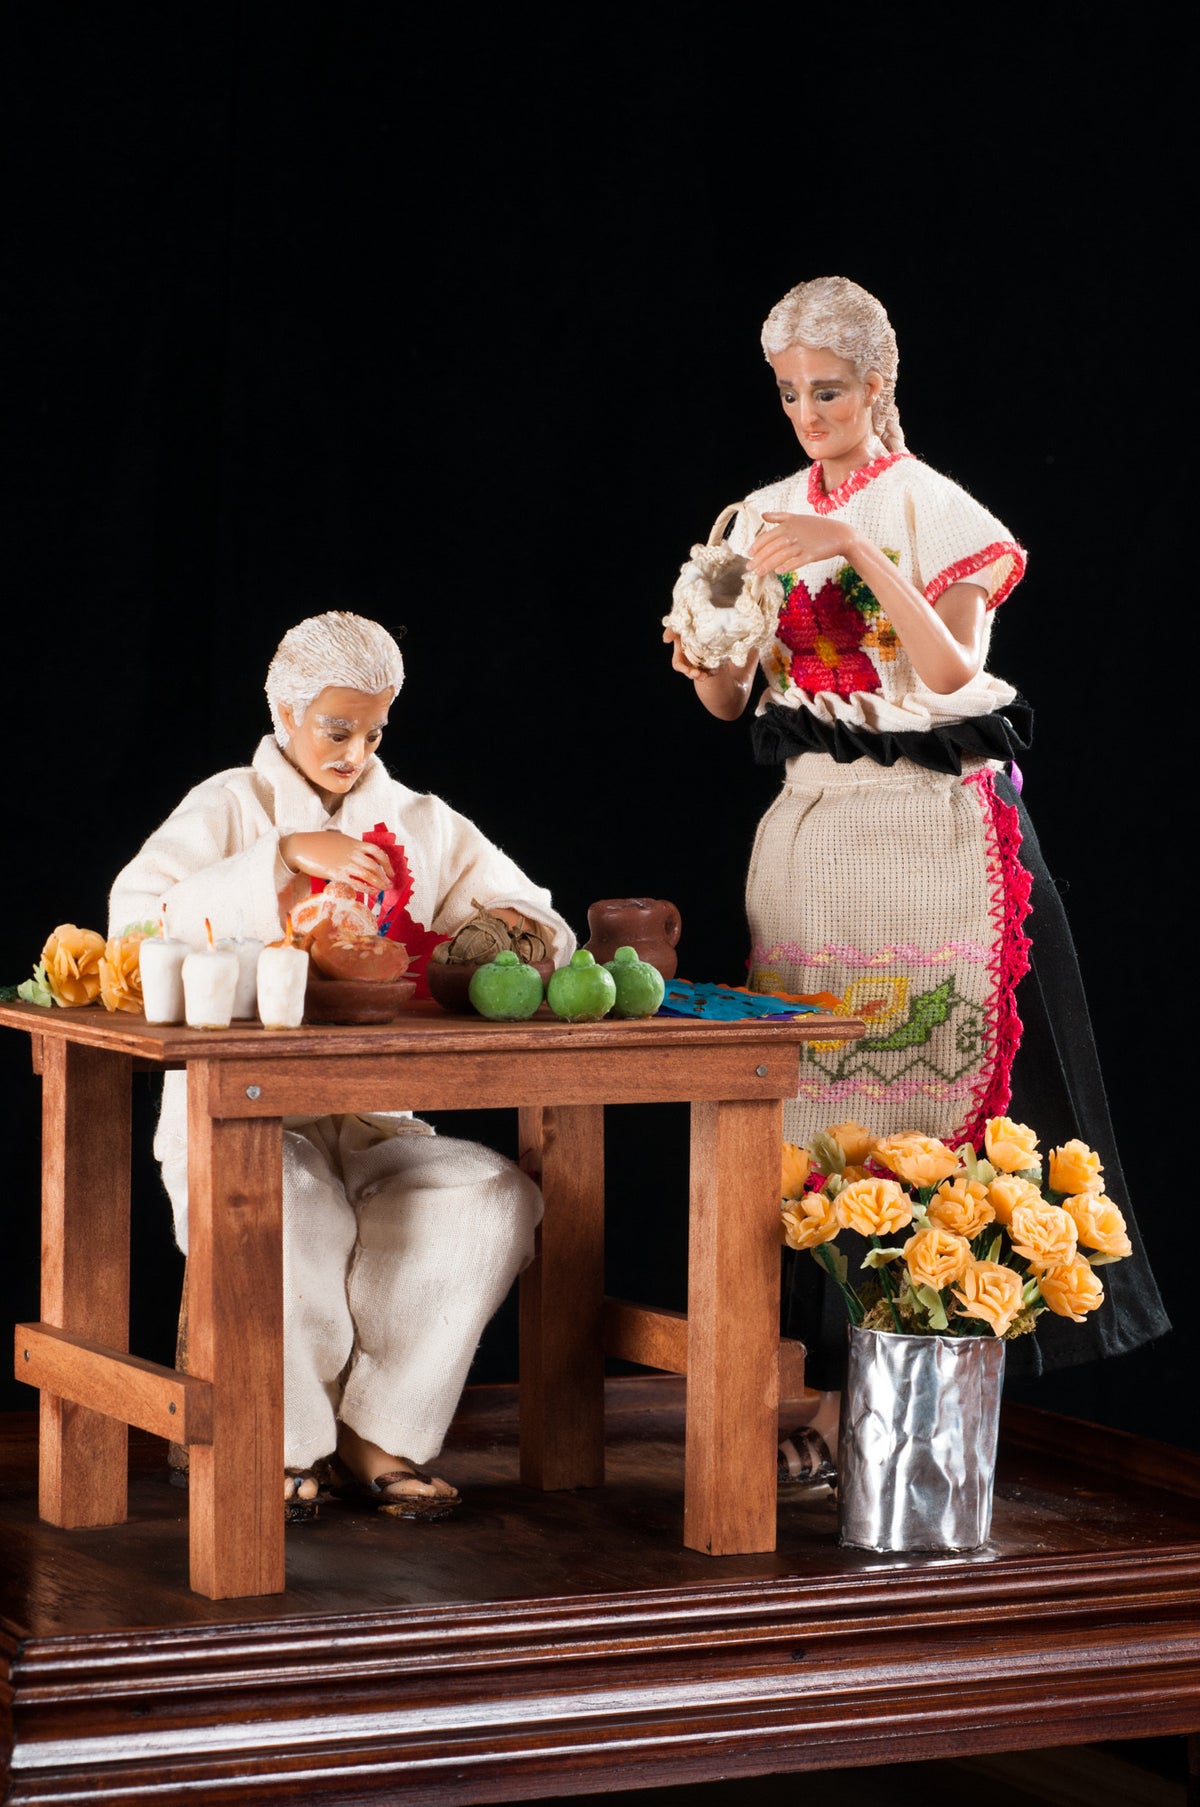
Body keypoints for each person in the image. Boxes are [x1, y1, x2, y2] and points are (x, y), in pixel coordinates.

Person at [665, 277, 1168, 1481]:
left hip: (923, 830)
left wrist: (855, 550)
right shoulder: (764, 511)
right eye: (789, 394)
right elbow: (736, 696)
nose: (806, 414)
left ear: (877, 384)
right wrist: (705, 651)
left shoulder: (936, 511)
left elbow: (948, 673)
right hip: (813, 832)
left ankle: (883, 1404)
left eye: (827, 390)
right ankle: (830, 1402)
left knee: (920, 1111)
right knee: (815, 1114)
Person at [109, 611, 574, 1519]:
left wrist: (500, 937)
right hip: (243, 1114)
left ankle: (381, 1431)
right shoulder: (227, 807)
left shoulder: (420, 823)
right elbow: (133, 922)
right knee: (281, 1195)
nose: (355, 751)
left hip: (374, 1118)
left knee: (492, 1197)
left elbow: (534, 913)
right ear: (285, 712)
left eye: (374, 732)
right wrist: (279, 858)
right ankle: (277, 1439)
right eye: (336, 728)